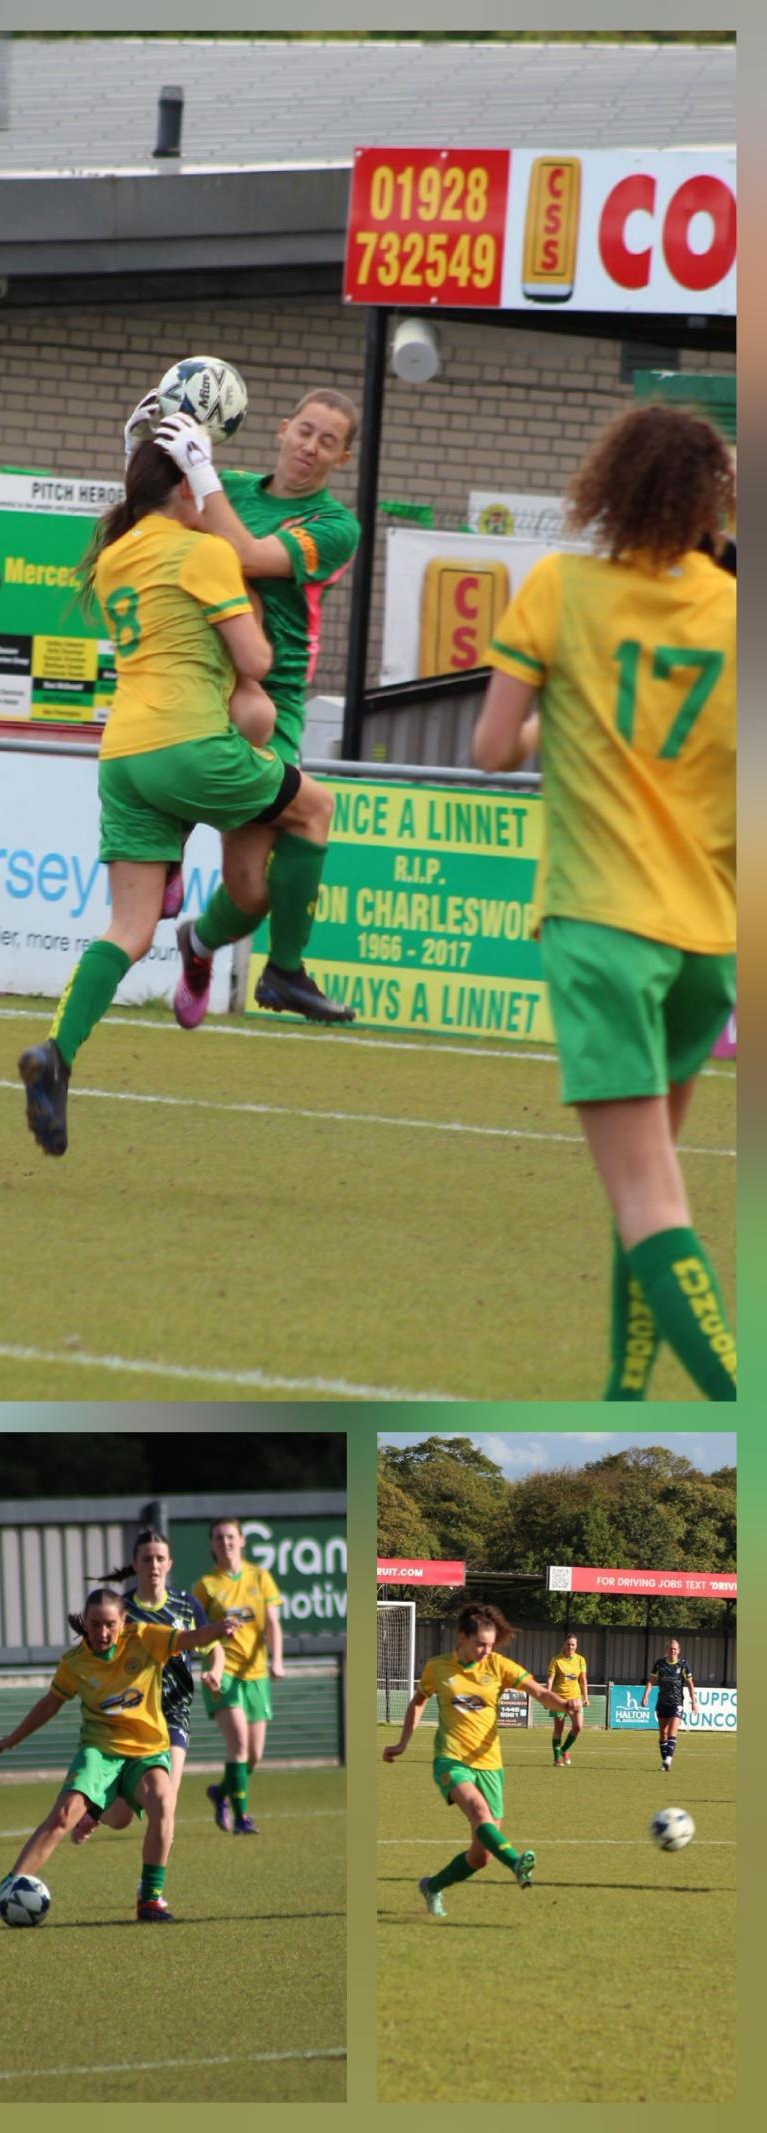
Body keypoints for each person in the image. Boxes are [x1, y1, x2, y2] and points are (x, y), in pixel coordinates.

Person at [475, 405, 737, 1402]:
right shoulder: (730, 604)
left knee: (645, 1193)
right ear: (707, 497)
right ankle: (621, 1396)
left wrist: (561, 728)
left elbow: (493, 749)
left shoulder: (561, 588)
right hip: (707, 938)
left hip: (602, 924)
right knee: (651, 1187)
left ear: (607, 485)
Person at [17, 437, 345, 1157]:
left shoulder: (115, 554)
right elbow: (256, 660)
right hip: (190, 742)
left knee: (126, 929)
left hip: (123, 753)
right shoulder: (204, 554)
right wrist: (246, 622)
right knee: (314, 807)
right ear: (186, 494)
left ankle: (57, 1052)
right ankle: (286, 970)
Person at [148, 388, 361, 1026]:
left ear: (343, 458)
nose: (311, 447)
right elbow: (151, 516)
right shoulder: (228, 488)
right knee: (313, 810)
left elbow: (245, 555)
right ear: (282, 428)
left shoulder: (334, 526)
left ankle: (200, 939)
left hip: (274, 694)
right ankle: (286, 972)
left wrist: (201, 472)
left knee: (249, 892)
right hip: (200, 677)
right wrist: (147, 441)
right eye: (306, 431)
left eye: (328, 441)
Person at [0, 1583, 239, 1922]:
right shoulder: (75, 1663)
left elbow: (187, 1640)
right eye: (95, 1624)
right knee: (63, 1816)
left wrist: (218, 1630)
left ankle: (150, 1900)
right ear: (85, 1624)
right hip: (100, 1751)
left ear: (123, 1623)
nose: (102, 1632)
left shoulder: (144, 1638)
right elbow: (49, 1704)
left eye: (109, 1624)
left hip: (147, 1751)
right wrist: (12, 1738)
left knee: (164, 1801)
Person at [383, 1600, 571, 1917]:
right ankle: (516, 1863)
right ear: (463, 1637)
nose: (486, 1650)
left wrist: (565, 1705)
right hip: (451, 1759)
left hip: (490, 1764)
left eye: (491, 1644)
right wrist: (403, 1743)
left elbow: (539, 1692)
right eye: (481, 1644)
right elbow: (418, 1702)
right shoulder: (437, 1668)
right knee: (479, 1811)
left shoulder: (498, 1665)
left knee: (480, 1856)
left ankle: (432, 1886)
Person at [68, 1528, 218, 1852]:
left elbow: (212, 1644)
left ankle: (149, 1892)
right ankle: (97, 1810)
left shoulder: (186, 1605)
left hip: (173, 1716)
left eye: (160, 1558)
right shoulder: (120, 1610)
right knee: (120, 1818)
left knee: (166, 1805)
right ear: (135, 1565)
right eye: (146, 1558)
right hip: (131, 1720)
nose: (154, 1564)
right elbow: (94, 1653)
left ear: (169, 1563)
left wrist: (215, 1671)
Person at [191, 1516, 282, 1835]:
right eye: (218, 1537)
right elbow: (197, 1630)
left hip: (255, 1674)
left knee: (254, 1756)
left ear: (242, 1541)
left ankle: (220, 1792)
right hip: (223, 1673)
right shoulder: (206, 1585)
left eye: (230, 1536)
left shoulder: (260, 1577)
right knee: (240, 1745)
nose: (225, 1542)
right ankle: (242, 1818)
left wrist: (277, 1660)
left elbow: (272, 1622)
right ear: (212, 1545)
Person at [641, 1636, 698, 1775]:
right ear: (667, 1650)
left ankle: (668, 1759)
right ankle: (665, 1763)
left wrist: (693, 1702)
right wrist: (646, 1695)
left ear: (679, 1651)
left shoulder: (683, 1665)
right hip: (662, 1703)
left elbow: (690, 1684)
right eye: (670, 1648)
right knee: (663, 1733)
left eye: (675, 1649)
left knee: (672, 1732)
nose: (673, 1651)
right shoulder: (660, 1664)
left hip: (677, 1703)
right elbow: (651, 1681)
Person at [547, 1633, 588, 1767]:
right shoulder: (556, 1660)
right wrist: (547, 1697)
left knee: (578, 1727)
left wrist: (585, 1697)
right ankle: (557, 1759)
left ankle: (563, 1750)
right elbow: (550, 1680)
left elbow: (583, 1680)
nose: (571, 1647)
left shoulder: (580, 1660)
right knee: (559, 1729)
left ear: (576, 1646)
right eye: (568, 1644)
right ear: (564, 1644)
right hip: (559, 1699)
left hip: (575, 1699)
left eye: (573, 1644)